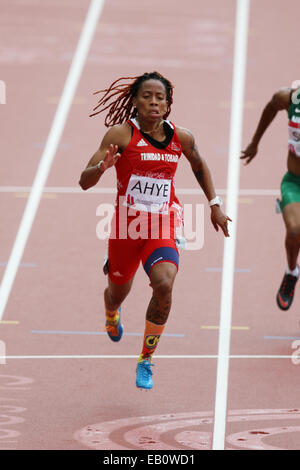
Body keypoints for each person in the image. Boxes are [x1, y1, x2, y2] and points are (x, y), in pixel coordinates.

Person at [79, 71, 231, 389]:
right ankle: (111, 309)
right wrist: (101, 168)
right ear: (135, 101)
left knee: (164, 284)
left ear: (168, 104)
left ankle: (146, 358)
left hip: (163, 222)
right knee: (117, 291)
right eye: (147, 96)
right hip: (126, 228)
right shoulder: (120, 135)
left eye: (160, 97)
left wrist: (215, 204)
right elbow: (84, 181)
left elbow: (199, 164)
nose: (153, 102)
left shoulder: (182, 137)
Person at [241, 84, 300, 311]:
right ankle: (291, 273)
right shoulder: (291, 98)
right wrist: (255, 142)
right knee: (294, 230)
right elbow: (272, 106)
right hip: (294, 182)